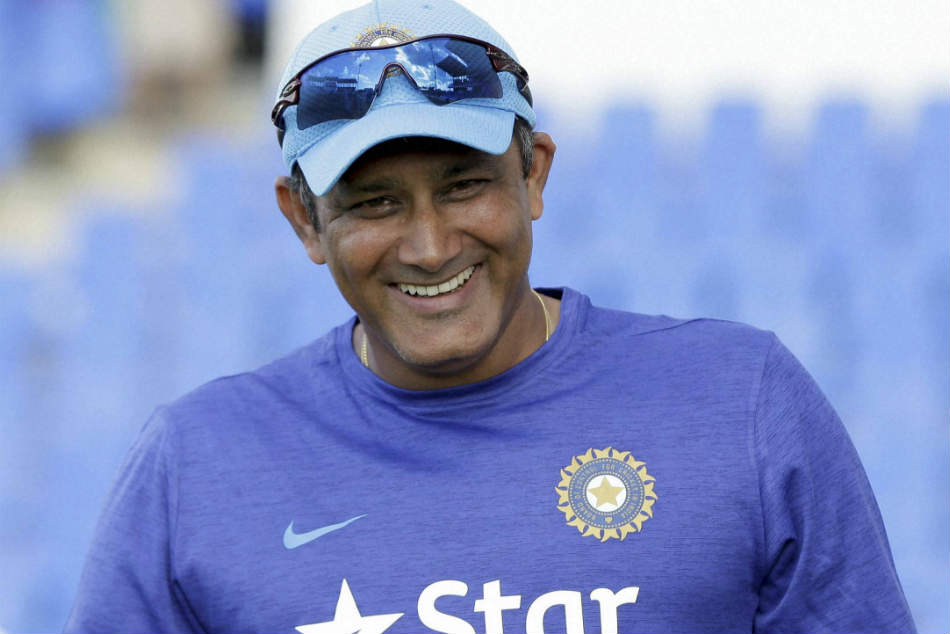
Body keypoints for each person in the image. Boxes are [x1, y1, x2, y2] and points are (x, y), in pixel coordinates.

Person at [66, 1, 916, 632]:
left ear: (534, 174)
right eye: (374, 202)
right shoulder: (198, 463)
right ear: (304, 222)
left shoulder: (740, 402)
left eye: (466, 186)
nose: (431, 246)